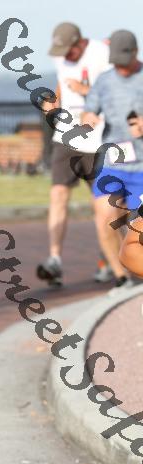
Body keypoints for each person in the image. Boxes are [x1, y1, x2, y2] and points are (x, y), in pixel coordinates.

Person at [37, 22, 111, 287]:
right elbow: (62, 81)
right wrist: (54, 101)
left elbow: (120, 92)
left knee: (103, 206)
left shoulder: (103, 53)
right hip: (67, 137)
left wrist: (86, 91)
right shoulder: (61, 57)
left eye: (69, 51)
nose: (65, 56)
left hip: (99, 140)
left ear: (80, 43)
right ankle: (54, 260)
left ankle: (108, 259)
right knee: (58, 194)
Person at [82, 30, 143, 294]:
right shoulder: (105, 80)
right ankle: (121, 278)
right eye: (116, 62)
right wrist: (88, 118)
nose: (121, 68)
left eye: (124, 62)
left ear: (135, 53)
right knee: (104, 217)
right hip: (113, 162)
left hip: (142, 166)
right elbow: (89, 109)